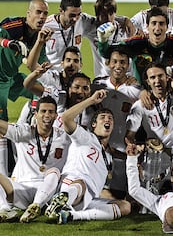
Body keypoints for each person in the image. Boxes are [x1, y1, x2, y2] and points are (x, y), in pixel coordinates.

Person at [0, 85, 67, 223]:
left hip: (50, 194)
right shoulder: (23, 132)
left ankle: (36, 206)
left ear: (56, 115)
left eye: (51, 112)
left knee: (54, 172)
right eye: (43, 111)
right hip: (21, 189)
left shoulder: (64, 137)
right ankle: (5, 209)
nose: (47, 115)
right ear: (35, 114)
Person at [0, 0, 50, 177]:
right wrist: (7, 42)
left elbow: (39, 64)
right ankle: (2, 177)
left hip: (11, 77)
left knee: (41, 93)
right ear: (28, 13)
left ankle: (22, 128)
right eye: (38, 12)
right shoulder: (14, 25)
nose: (42, 17)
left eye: (45, 13)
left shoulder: (40, 36)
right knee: (0, 125)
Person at [45, 90, 131, 224]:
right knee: (81, 183)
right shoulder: (86, 137)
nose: (107, 120)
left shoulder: (107, 156)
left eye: (110, 118)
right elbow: (66, 118)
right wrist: (91, 100)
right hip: (71, 186)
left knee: (125, 206)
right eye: (102, 117)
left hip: (89, 197)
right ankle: (61, 201)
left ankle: (71, 215)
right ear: (93, 125)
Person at [125, 63, 173, 194]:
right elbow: (129, 136)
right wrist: (136, 153)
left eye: (160, 76)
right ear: (147, 81)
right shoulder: (141, 105)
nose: (157, 81)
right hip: (154, 156)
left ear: (167, 77)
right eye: (153, 77)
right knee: (150, 198)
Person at [91, 47, 141, 198]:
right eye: (114, 62)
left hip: (121, 147)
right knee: (95, 189)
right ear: (108, 63)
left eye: (122, 62)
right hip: (99, 146)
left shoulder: (136, 89)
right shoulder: (98, 84)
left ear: (128, 65)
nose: (118, 66)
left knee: (118, 193)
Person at [98, 7, 173, 83]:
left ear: (167, 27)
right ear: (147, 26)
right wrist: (102, 40)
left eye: (161, 24)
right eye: (154, 23)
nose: (157, 28)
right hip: (141, 93)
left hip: (171, 93)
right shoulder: (136, 43)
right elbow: (107, 53)